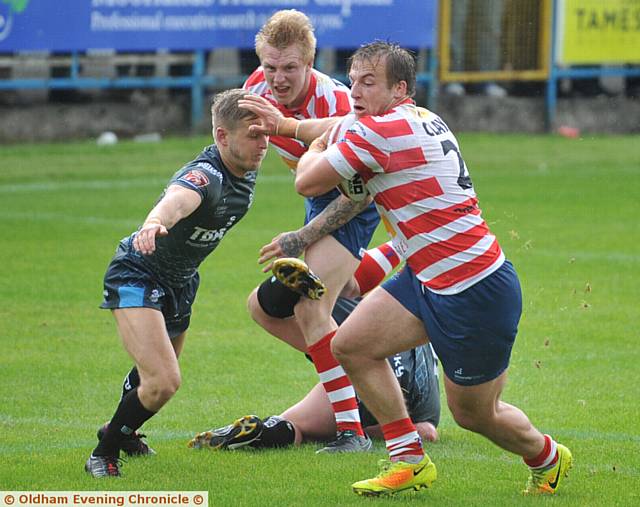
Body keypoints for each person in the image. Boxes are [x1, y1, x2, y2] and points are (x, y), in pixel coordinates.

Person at [269, 41, 573, 497]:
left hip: (474, 289)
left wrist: (309, 146)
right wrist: (291, 124)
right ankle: (408, 460)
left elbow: (306, 181)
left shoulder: (381, 132)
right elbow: (339, 124)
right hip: (428, 277)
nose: (355, 90)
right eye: (352, 80)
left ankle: (547, 456)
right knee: (350, 345)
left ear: (399, 88)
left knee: (475, 414)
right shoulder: (416, 116)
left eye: (368, 83)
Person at [85, 88, 269, 478]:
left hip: (181, 283)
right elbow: (178, 198)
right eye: (254, 135)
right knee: (164, 381)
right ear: (222, 137)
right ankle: (103, 453)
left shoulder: (246, 166)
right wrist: (155, 222)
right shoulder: (208, 176)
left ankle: (124, 430)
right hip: (138, 274)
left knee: (151, 376)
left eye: (267, 133)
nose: (264, 143)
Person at [242, 9, 381, 453]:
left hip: (357, 202)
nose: (278, 79)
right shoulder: (255, 91)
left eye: (290, 68)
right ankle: (350, 374)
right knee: (262, 307)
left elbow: (359, 197)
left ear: (310, 63)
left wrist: (302, 238)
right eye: (270, 66)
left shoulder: (337, 106)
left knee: (308, 304)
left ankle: (352, 432)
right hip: (318, 196)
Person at [188, 296, 440, 450]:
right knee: (425, 429)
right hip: (421, 399)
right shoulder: (420, 318)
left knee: (293, 426)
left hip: (365, 373)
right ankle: (388, 428)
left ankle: (270, 429)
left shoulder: (356, 306)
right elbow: (430, 430)